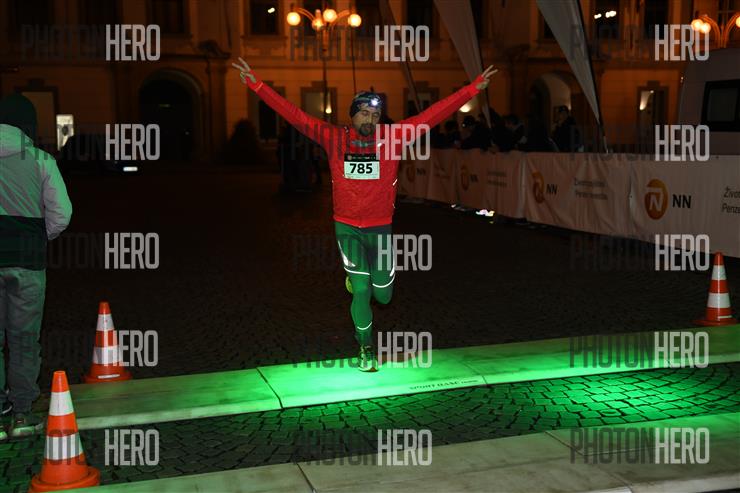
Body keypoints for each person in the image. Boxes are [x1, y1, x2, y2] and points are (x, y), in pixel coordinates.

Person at [233, 57, 497, 371]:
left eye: (374, 114)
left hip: (380, 228)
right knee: (361, 289)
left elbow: (432, 115)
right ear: (353, 115)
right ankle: (366, 346)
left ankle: (370, 285)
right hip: (346, 227)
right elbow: (296, 116)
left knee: (383, 296)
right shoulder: (334, 137)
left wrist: (472, 89)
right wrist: (257, 86)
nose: (370, 119)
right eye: (364, 113)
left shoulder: (393, 137)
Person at [0, 93, 72, 439]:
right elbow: (62, 214)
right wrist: (40, 236)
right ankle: (22, 413)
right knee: (24, 339)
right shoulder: (41, 160)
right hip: (28, 261)